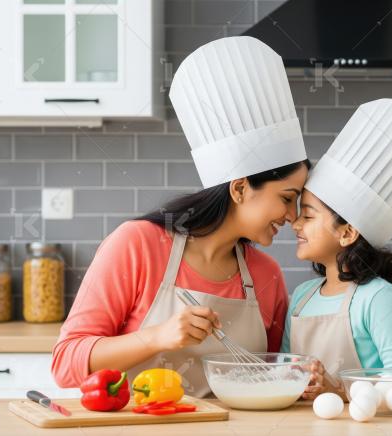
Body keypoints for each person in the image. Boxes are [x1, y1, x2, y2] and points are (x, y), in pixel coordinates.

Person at [52, 36, 310, 397]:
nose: (293, 217)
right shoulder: (137, 245)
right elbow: (65, 364)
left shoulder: (267, 275)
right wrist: (156, 337)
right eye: (287, 198)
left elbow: (276, 375)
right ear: (239, 189)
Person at [280, 98, 392, 399]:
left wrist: (339, 390)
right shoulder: (302, 297)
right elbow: (284, 371)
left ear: (346, 232)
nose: (295, 224)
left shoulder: (379, 298)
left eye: (307, 215)